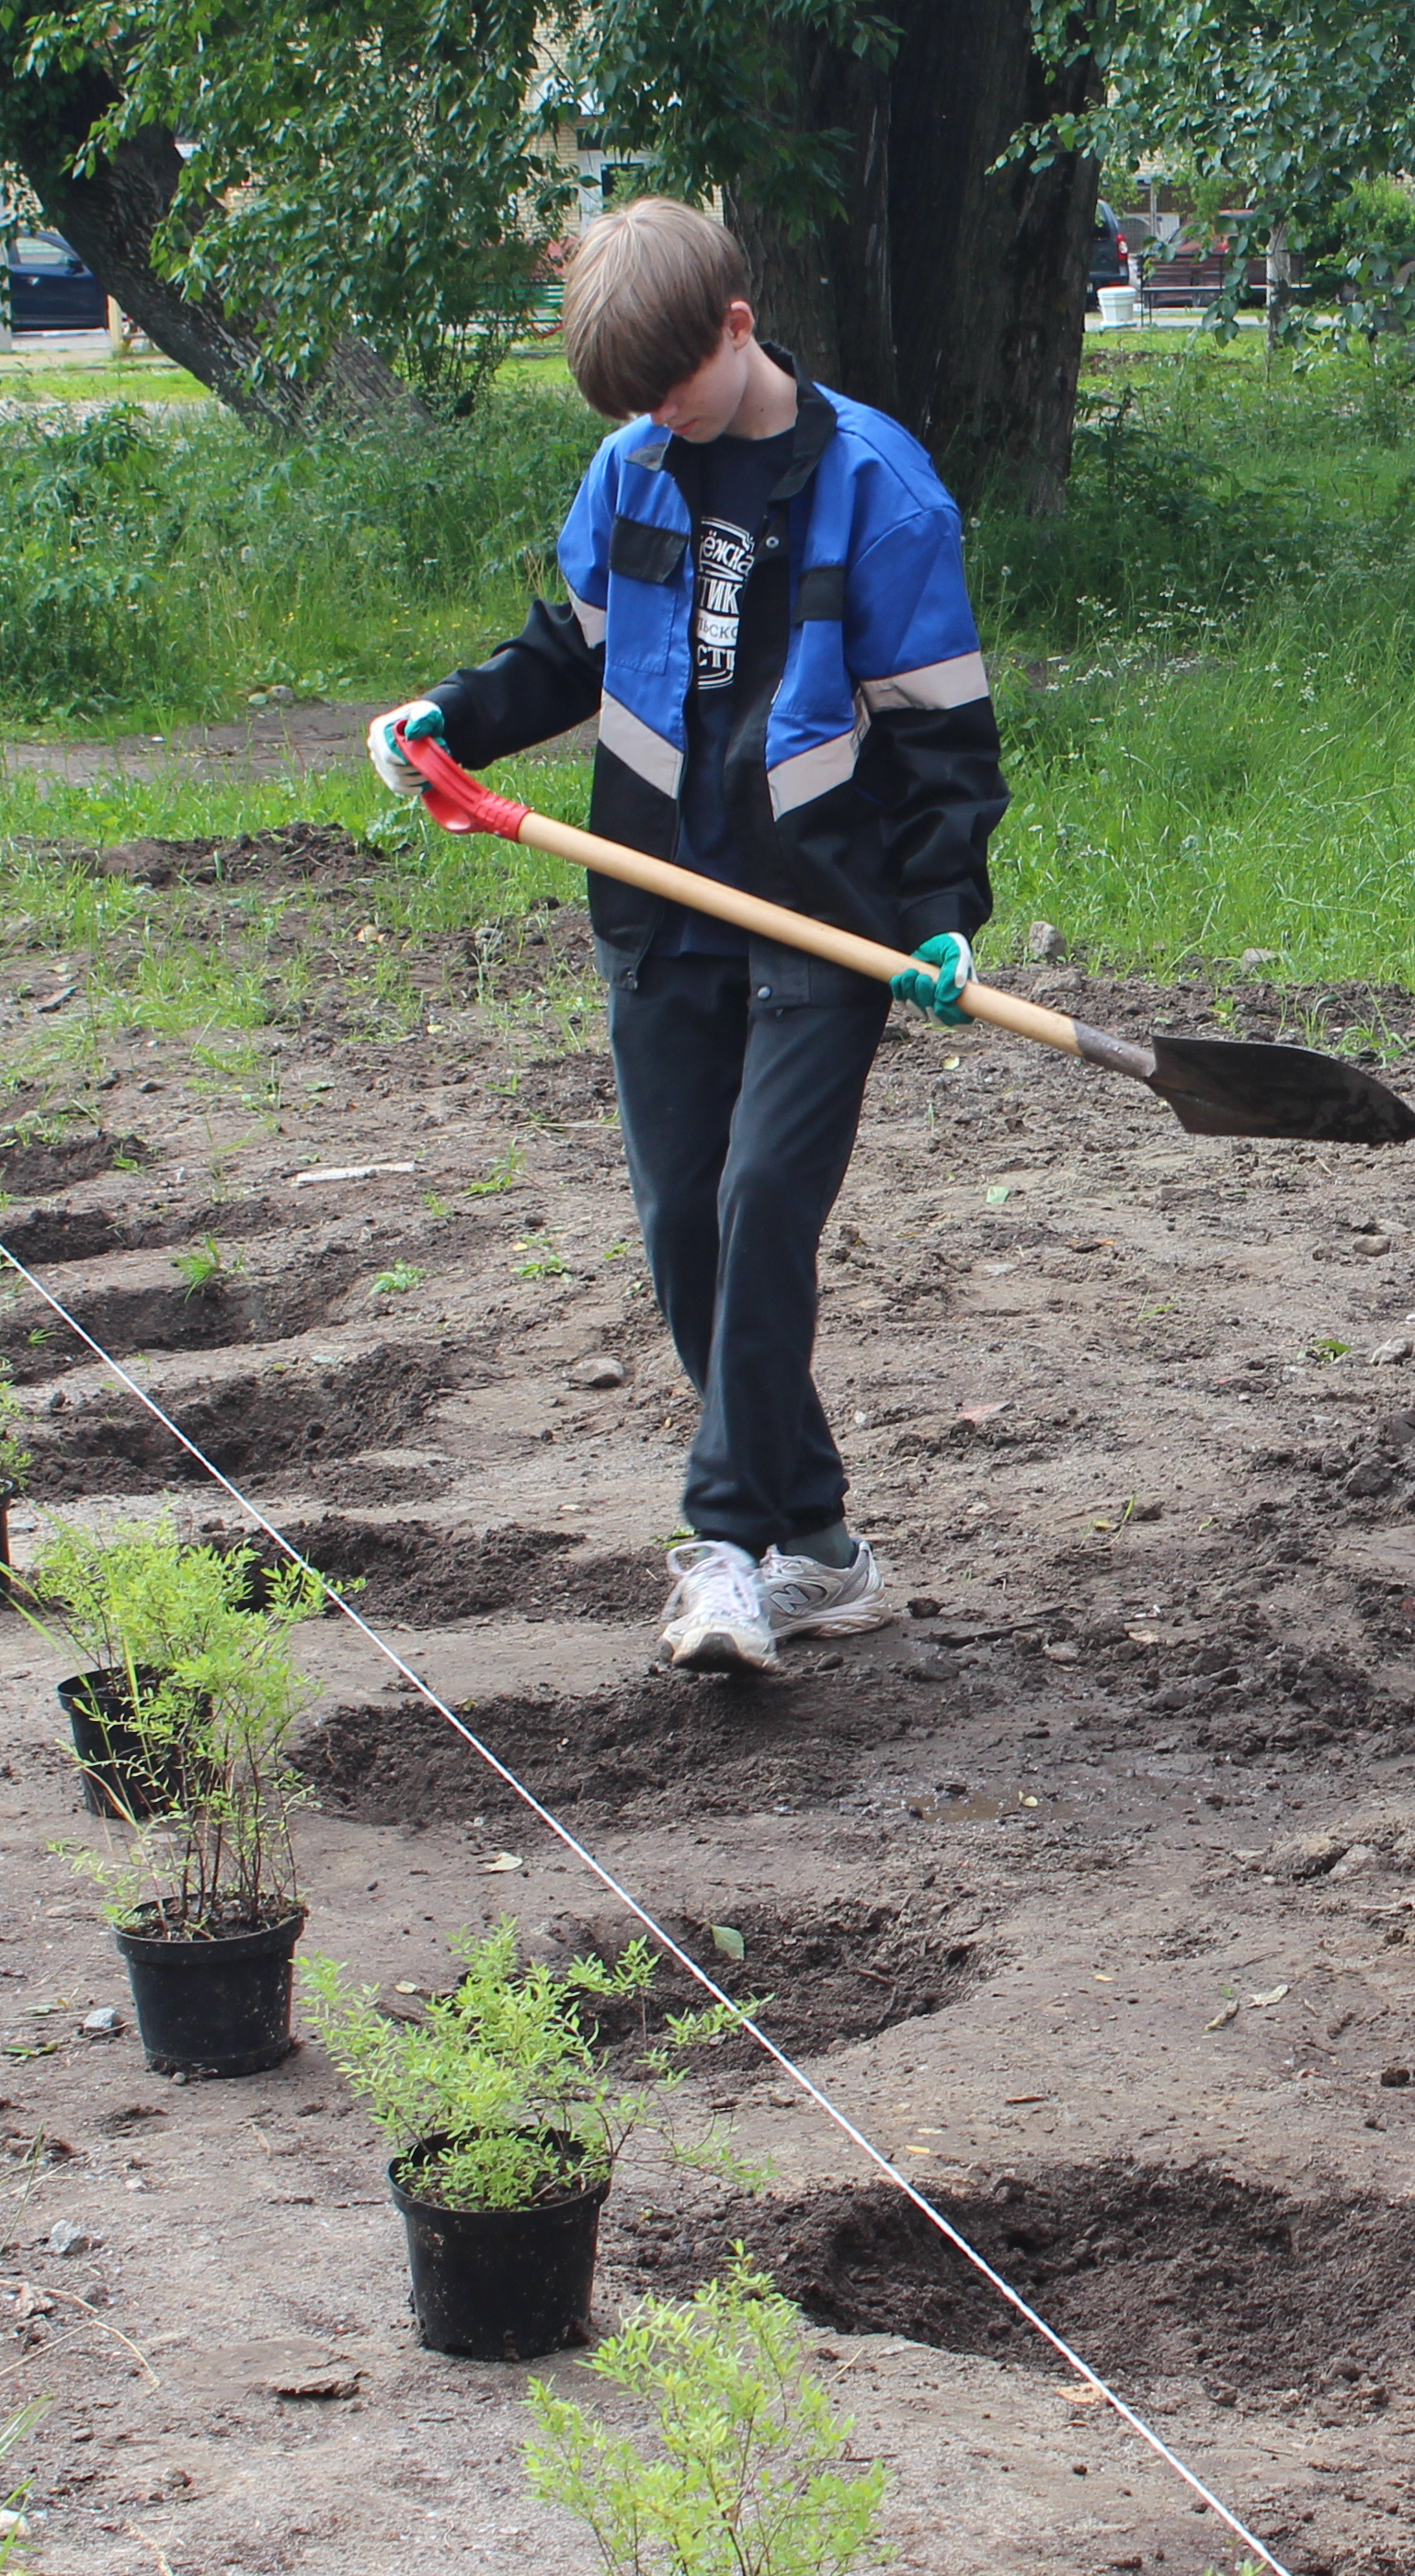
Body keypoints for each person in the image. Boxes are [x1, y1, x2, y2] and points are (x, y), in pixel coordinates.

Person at [366, 199, 1004, 1671]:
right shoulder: (631, 468)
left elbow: (946, 744)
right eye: (632, 407)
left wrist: (942, 916)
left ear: (737, 324)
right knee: (685, 1235)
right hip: (656, 906)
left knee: (763, 1204)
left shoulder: (881, 494)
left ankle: (722, 1549)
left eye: (673, 388)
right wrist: (446, 723)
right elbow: (570, 656)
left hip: (822, 922)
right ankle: (826, 1549)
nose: (659, 420)